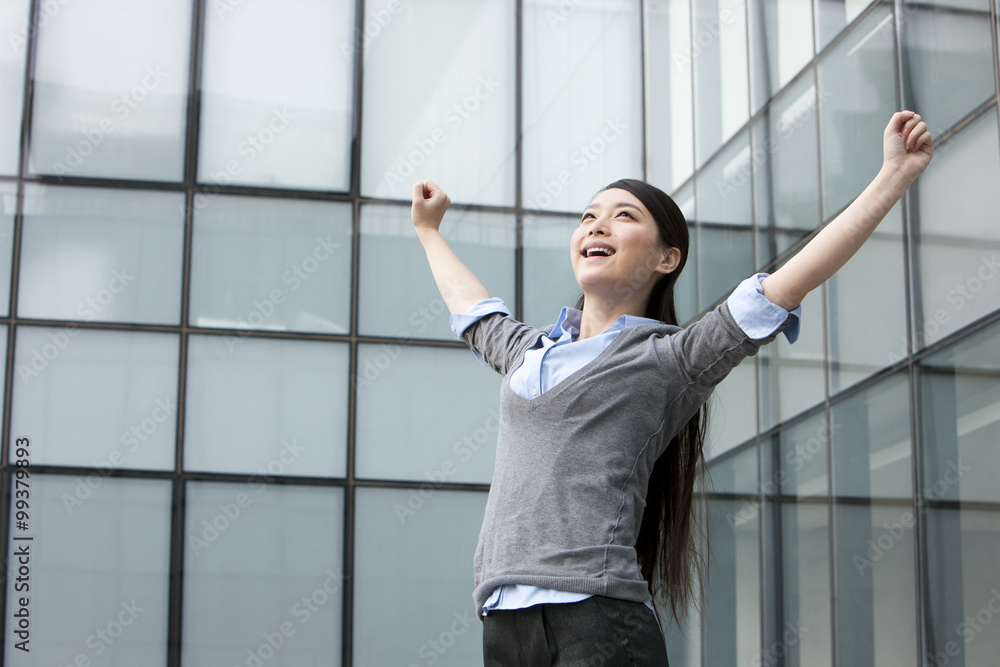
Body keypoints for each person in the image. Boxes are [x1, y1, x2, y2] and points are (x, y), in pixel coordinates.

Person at [410, 111, 933, 666]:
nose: (596, 225)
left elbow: (789, 281)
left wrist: (893, 177)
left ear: (667, 258)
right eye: (588, 216)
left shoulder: (669, 359)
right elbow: (472, 309)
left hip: (597, 619)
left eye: (623, 216)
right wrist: (427, 229)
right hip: (503, 623)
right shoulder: (528, 351)